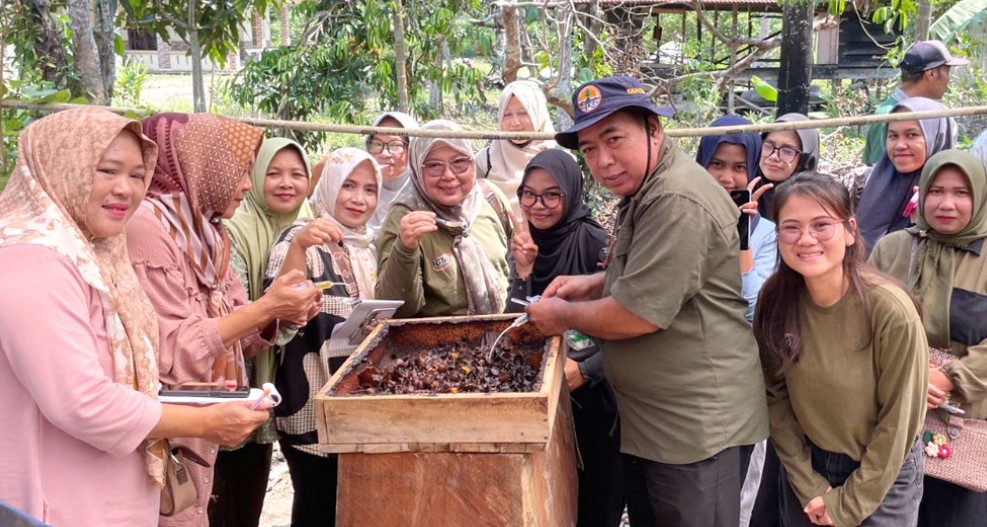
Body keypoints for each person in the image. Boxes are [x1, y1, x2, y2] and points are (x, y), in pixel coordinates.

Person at [0, 108, 269, 526]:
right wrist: (203, 421)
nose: (125, 189)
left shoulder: (94, 250)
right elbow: (83, 401)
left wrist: (197, 398)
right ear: (59, 165)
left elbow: (123, 376)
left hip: (107, 497)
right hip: (59, 504)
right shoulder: (35, 260)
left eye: (136, 174)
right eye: (107, 170)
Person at [525, 76, 768, 527]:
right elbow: (662, 276)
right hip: (657, 425)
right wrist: (594, 284)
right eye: (590, 149)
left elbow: (637, 314)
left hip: (696, 431)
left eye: (614, 139)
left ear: (654, 129)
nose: (603, 160)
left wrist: (560, 315)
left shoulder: (676, 198)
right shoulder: (648, 190)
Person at [128, 113, 320, 527]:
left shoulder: (208, 231)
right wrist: (267, 308)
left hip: (204, 425)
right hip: (170, 427)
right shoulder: (147, 227)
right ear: (200, 166)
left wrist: (281, 311)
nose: (247, 184)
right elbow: (174, 348)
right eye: (237, 171)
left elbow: (232, 330)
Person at [755, 172, 927, 527]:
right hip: (808, 465)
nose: (806, 239)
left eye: (821, 224)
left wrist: (847, 505)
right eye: (791, 227)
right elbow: (774, 396)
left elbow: (899, 420)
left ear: (850, 230)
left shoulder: (889, 310)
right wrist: (808, 484)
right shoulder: (774, 300)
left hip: (882, 472)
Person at [264, 147, 382, 527]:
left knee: (347, 508)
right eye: (348, 185)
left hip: (354, 407)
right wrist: (300, 247)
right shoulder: (300, 239)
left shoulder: (367, 245)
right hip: (309, 406)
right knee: (316, 505)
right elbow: (278, 317)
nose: (359, 199)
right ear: (329, 186)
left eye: (369, 189)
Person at [505, 149, 622, 527]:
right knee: (548, 502)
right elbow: (515, 326)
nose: (539, 205)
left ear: (571, 194)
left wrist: (587, 369)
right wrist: (523, 272)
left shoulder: (596, 244)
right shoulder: (525, 243)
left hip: (597, 401)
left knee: (595, 503)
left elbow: (630, 324)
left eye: (552, 194)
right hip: (543, 399)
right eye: (529, 194)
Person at [869, 150, 987, 526]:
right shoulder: (893, 249)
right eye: (936, 191)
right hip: (891, 415)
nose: (946, 203)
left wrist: (947, 377)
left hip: (966, 421)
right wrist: (909, 379)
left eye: (961, 192)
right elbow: (862, 324)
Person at [217, 137, 315, 527]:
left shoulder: (310, 220)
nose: (286, 183)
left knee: (250, 499)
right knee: (225, 491)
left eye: (297, 174)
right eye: (273, 173)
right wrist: (282, 309)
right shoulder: (233, 229)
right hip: (235, 377)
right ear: (255, 178)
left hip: (280, 383)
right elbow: (236, 316)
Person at [376, 119, 512, 317]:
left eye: (459, 163)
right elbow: (396, 310)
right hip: (436, 345)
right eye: (434, 166)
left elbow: (516, 270)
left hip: (502, 339)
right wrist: (405, 249)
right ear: (417, 169)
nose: (448, 175)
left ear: (473, 163)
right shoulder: (404, 219)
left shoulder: (491, 199)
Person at [695, 114, 777, 324]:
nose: (727, 178)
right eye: (717, 164)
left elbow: (752, 309)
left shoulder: (765, 233)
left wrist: (742, 233)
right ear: (702, 163)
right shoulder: (683, 216)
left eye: (739, 167)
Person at [856, 97, 954, 251]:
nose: (900, 145)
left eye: (911, 135)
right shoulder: (863, 183)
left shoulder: (958, 195)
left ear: (935, 137)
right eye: (893, 136)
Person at [862, 40, 968, 166]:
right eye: (947, 72)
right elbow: (878, 174)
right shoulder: (887, 115)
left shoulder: (939, 115)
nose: (948, 79)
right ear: (931, 74)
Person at [475, 79, 558, 216]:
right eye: (507, 114)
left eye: (523, 113)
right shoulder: (485, 160)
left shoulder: (558, 160)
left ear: (538, 114)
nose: (515, 123)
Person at [755, 112, 819, 221]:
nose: (774, 156)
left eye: (787, 151)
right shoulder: (742, 189)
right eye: (768, 145)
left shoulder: (819, 201)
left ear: (805, 159)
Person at [366, 111, 419, 229]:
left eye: (395, 145)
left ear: (412, 149)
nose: (384, 154)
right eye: (377, 144)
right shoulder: (358, 186)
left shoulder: (422, 194)